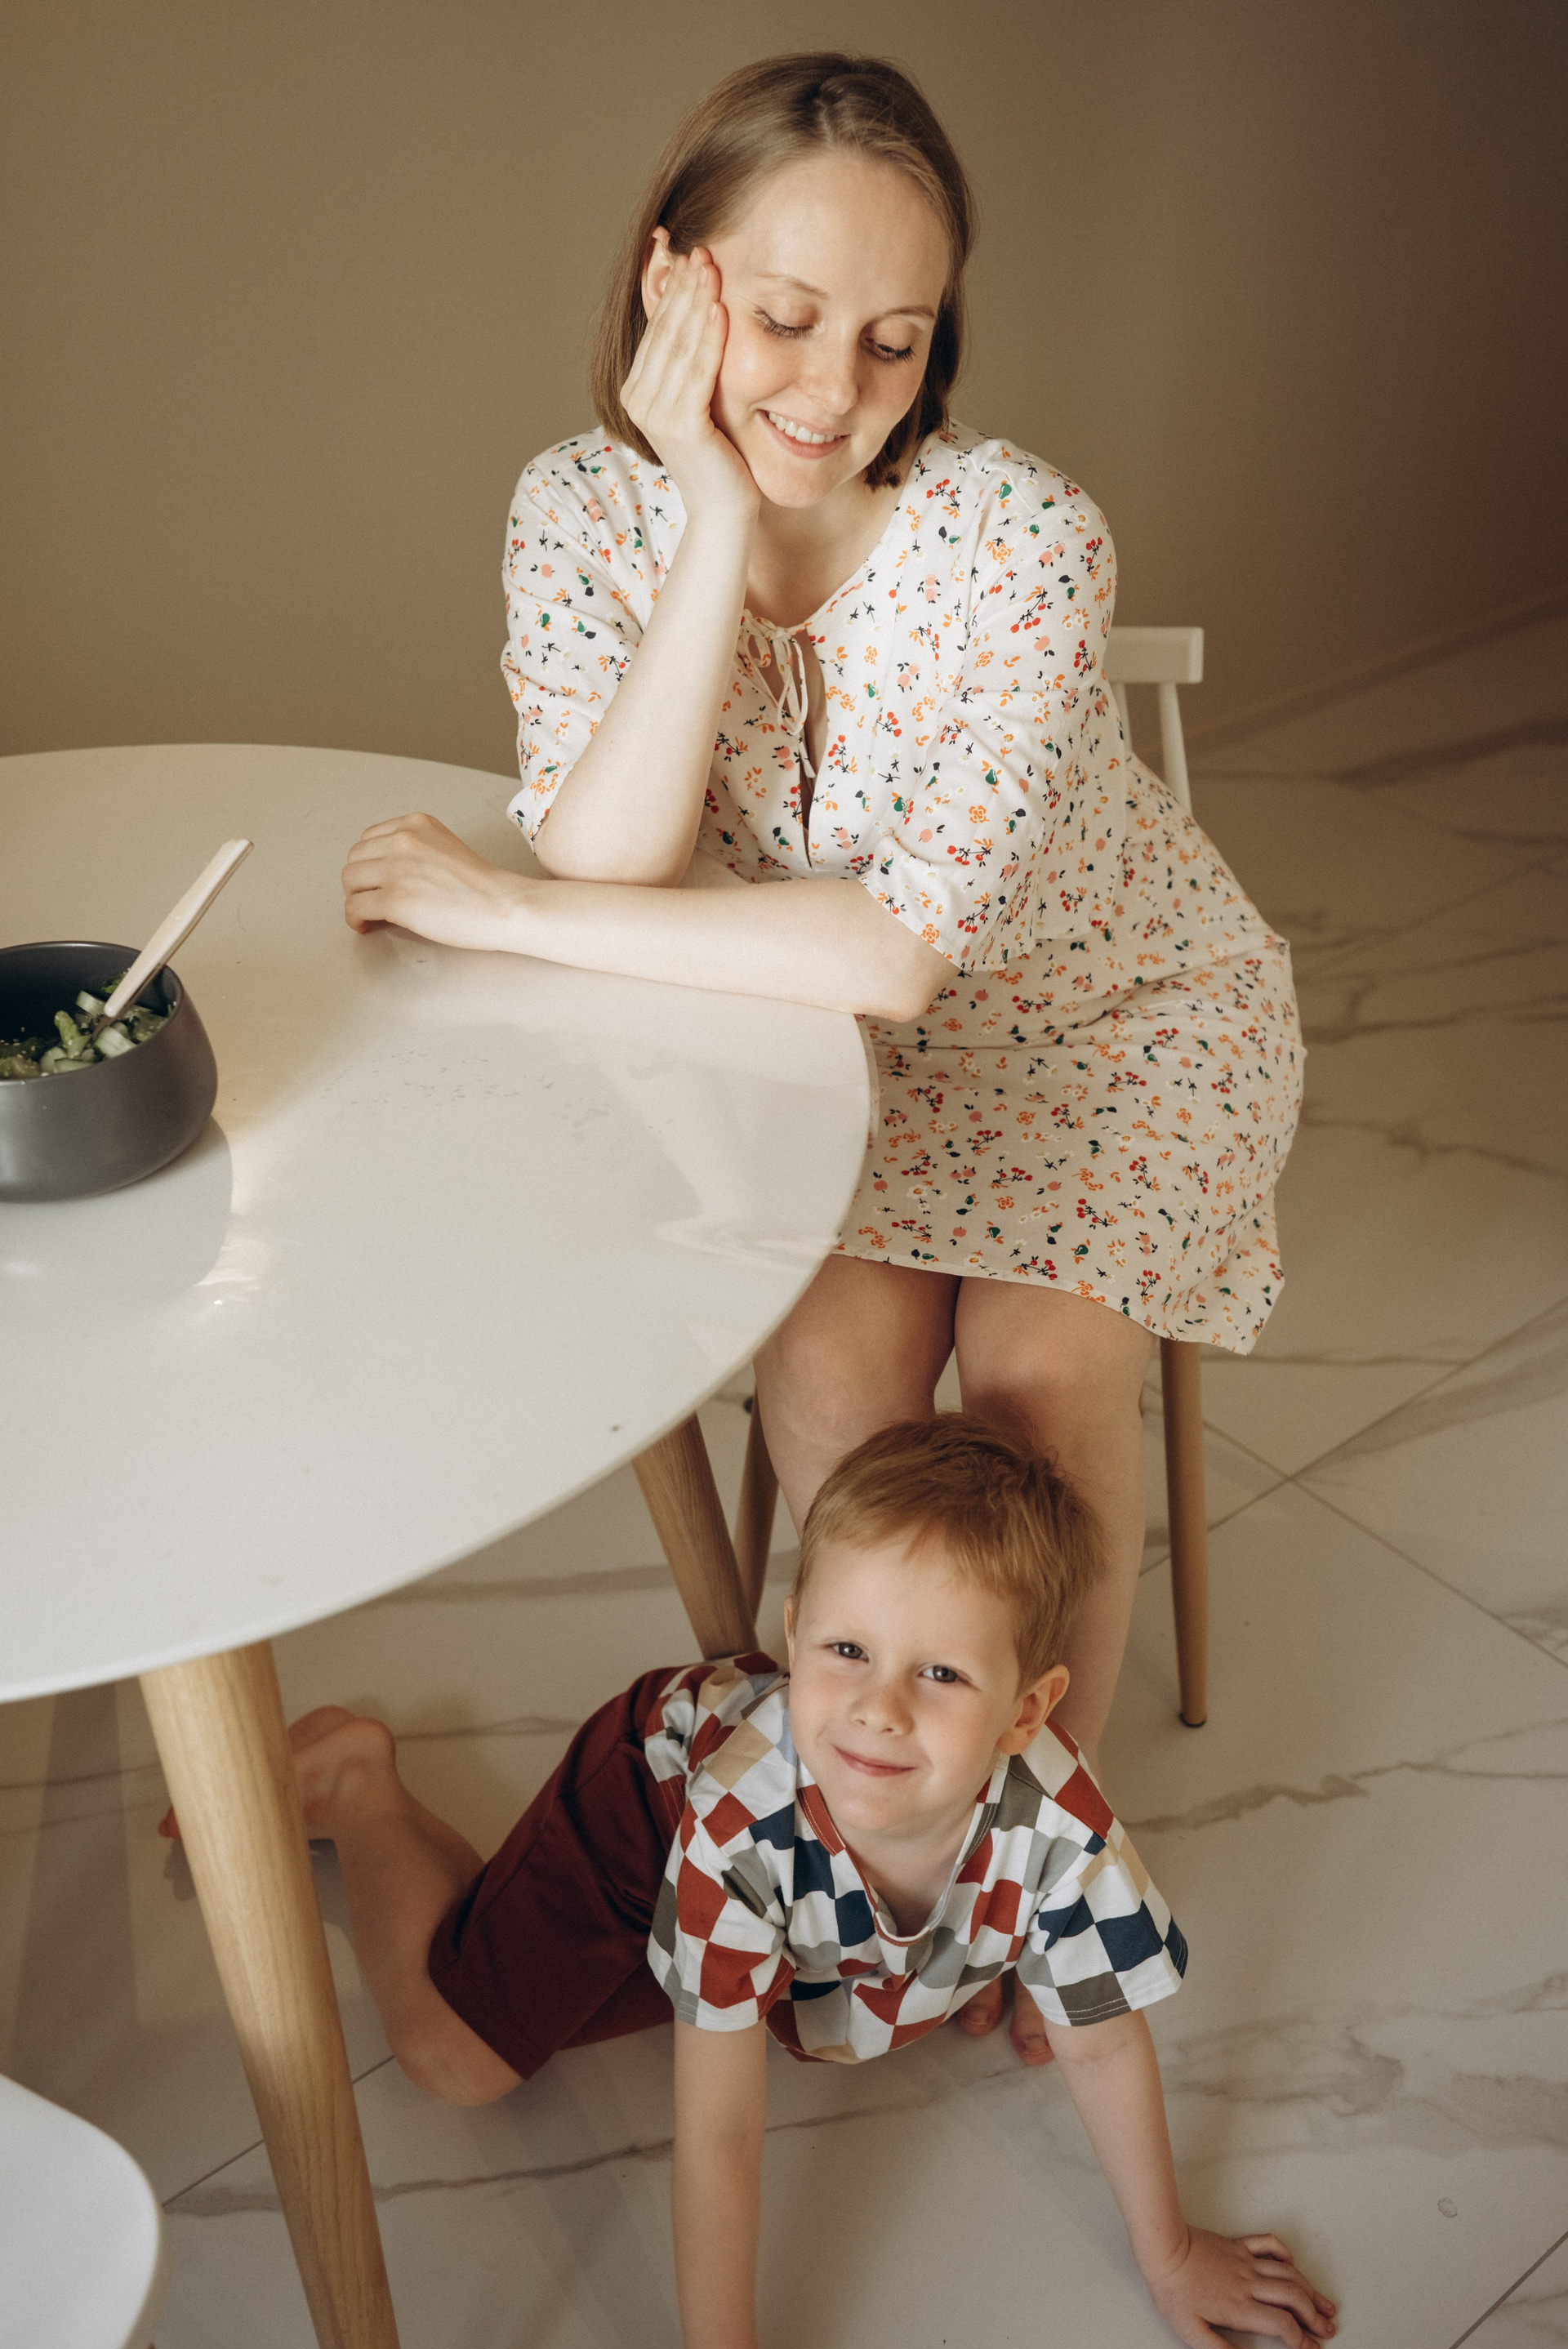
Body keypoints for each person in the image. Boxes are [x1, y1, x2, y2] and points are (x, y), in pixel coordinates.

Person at [340, 53, 1301, 1768]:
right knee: (836, 1394)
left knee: (1040, 1385)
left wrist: (505, 913)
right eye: (785, 318)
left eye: (894, 341)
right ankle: (872, 1802)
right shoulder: (581, 511)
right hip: (819, 1049)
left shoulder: (1026, 539)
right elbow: (618, 859)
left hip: (1113, 1021)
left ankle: (1040, 1830)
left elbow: (897, 954)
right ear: (672, 281)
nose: (835, 389)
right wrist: (713, 514)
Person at [213, 1416, 1333, 2349]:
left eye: (942, 1673)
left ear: (1027, 1711)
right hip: (644, 1813)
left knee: (560, 1993)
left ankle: (492, 1923)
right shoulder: (736, 1827)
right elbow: (719, 2134)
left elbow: (1101, 2044)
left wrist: (1170, 2254)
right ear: (795, 1638)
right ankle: (358, 1781)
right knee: (456, 2057)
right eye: (845, 1651)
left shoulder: (1060, 1822)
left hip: (770, 1911)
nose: (878, 1710)